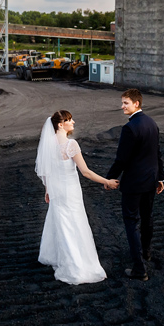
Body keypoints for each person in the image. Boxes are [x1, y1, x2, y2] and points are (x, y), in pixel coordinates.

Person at [36, 110, 119, 285]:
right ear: (60, 124)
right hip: (70, 192)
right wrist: (107, 181)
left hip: (57, 191)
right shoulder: (70, 145)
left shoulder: (48, 145)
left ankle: (58, 256)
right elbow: (86, 172)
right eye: (69, 120)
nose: (73, 122)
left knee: (61, 224)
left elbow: (46, 172)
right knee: (75, 225)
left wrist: (47, 190)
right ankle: (76, 266)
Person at [106, 89, 164, 281]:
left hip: (134, 183)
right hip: (150, 180)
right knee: (147, 218)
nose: (122, 106)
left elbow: (122, 159)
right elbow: (157, 154)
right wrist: (160, 178)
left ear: (136, 104)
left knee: (131, 222)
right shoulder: (152, 123)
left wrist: (109, 178)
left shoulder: (130, 128)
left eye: (125, 103)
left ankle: (139, 268)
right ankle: (146, 252)